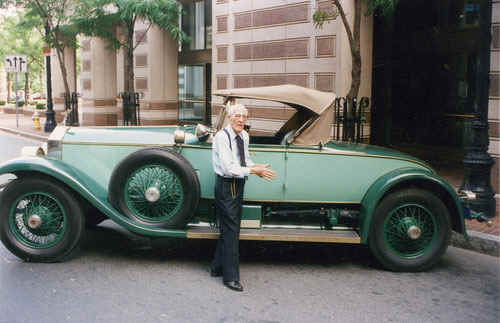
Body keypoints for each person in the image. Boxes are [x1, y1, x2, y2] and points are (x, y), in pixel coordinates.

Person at [211, 103, 276, 292]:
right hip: (226, 185)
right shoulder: (222, 138)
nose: (240, 120)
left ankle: (216, 267)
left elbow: (244, 159)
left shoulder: (244, 136)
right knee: (232, 231)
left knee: (230, 228)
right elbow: (228, 168)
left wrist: (257, 168)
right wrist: (253, 171)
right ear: (229, 118)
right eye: (237, 116)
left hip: (239, 184)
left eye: (244, 117)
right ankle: (231, 278)